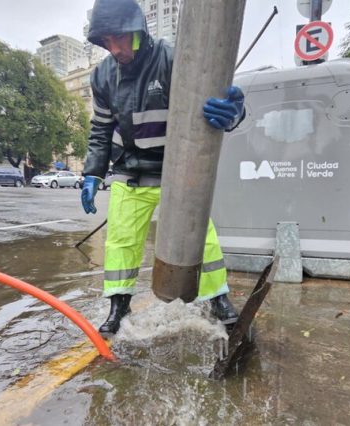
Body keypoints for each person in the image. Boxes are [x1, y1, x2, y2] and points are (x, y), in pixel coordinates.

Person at [81, 0, 246, 335]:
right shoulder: (102, 76)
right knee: (121, 240)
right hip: (131, 172)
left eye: (121, 39)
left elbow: (212, 104)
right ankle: (118, 305)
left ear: (139, 32)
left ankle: (218, 299)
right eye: (106, 42)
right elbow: (100, 129)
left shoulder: (173, 59)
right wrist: (93, 173)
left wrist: (234, 114)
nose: (115, 49)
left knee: (204, 239)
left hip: (177, 171)